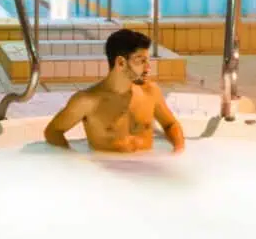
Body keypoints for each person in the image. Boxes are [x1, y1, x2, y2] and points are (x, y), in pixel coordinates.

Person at [44, 29, 185, 154]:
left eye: (148, 60)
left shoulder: (150, 92)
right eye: (141, 61)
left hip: (148, 170)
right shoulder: (88, 100)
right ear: (121, 63)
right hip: (107, 175)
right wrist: (74, 160)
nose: (148, 68)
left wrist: (178, 150)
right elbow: (52, 132)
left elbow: (170, 124)